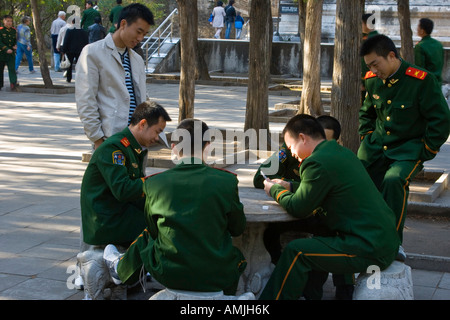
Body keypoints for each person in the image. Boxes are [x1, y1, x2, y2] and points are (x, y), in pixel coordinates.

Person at [259, 114, 400, 300]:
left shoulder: (315, 161)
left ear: (303, 138)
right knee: (315, 232)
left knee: (297, 251)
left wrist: (275, 189)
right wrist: (291, 186)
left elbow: (299, 207)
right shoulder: (338, 151)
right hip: (382, 239)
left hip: (369, 247)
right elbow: (326, 187)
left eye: (291, 146)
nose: (291, 152)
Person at [103, 118, 247, 295]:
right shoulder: (226, 181)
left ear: (174, 148)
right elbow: (237, 228)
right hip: (216, 275)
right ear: (208, 145)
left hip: (169, 273)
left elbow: (154, 231)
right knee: (236, 257)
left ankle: (121, 270)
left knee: (149, 235)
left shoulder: (154, 183)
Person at [358, 34, 450, 260]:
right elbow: (366, 113)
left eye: (375, 64)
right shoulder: (372, 80)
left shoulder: (421, 80)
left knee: (393, 181)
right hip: (376, 147)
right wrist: (367, 136)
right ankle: (362, 237)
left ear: (391, 56)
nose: (373, 70)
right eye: (369, 66)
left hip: (408, 150)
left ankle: (393, 243)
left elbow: (440, 119)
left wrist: (426, 150)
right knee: (357, 181)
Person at [255, 115, 354, 300]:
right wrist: (287, 184)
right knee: (270, 232)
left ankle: (341, 287)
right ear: (305, 137)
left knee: (327, 237)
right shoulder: (292, 151)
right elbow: (259, 177)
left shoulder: (329, 158)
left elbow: (306, 199)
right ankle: (280, 269)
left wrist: (285, 187)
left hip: (324, 217)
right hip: (309, 214)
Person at [80, 100, 171, 248]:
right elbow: (123, 189)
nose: (157, 138)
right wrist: (158, 182)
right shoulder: (113, 148)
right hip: (108, 220)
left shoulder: (130, 147)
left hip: (119, 212)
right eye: (157, 131)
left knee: (166, 219)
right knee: (165, 229)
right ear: (142, 124)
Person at [76, 3, 154, 150]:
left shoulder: (136, 59)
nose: (140, 38)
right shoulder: (93, 53)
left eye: (144, 34)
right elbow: (86, 100)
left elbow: (142, 97)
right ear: (123, 24)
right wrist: (98, 140)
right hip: (110, 140)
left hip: (136, 141)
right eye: (138, 32)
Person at [414, 18, 444, 87]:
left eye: (418, 26)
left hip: (426, 85)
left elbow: (419, 70)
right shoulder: (439, 44)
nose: (417, 29)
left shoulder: (420, 46)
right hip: (438, 83)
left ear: (422, 31)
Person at [361, 13, 379, 101]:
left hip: (368, 78)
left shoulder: (366, 41)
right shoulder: (380, 37)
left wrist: (362, 82)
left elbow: (364, 63)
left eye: (362, 23)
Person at [0, 15, 18, 91]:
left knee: (12, 68)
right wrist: (6, 49)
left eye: (10, 21)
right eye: (7, 21)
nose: (9, 23)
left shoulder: (14, 31)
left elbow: (14, 41)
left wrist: (15, 46)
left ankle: (13, 83)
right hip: (2, 53)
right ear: (4, 21)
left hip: (11, 53)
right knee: (0, 69)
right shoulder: (1, 30)